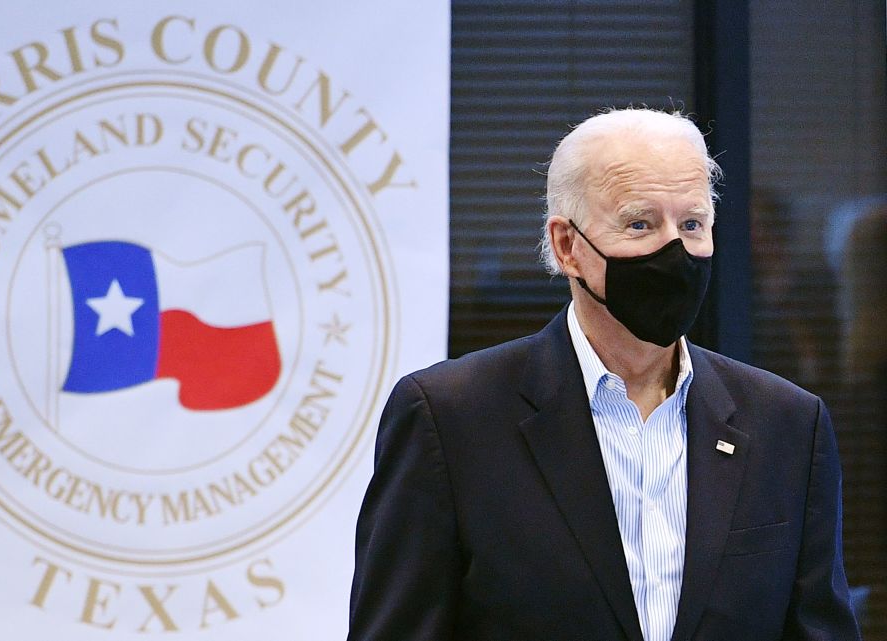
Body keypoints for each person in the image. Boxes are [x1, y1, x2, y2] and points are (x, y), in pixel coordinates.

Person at [347, 108, 861, 641]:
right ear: (568, 246)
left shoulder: (787, 425)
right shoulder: (450, 420)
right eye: (640, 224)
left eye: (692, 224)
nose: (674, 251)